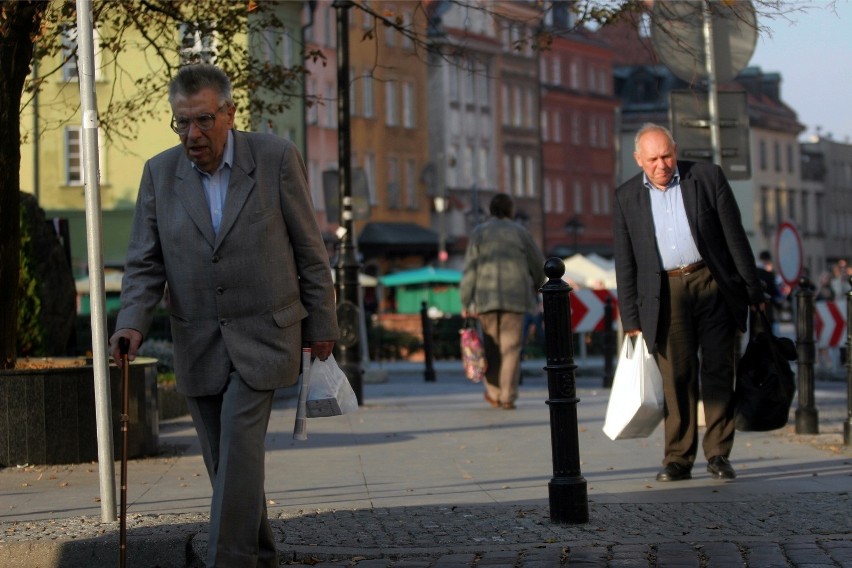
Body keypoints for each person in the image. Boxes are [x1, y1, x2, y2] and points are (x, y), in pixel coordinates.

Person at [109, 64, 339, 567]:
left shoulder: (275, 158)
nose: (192, 134)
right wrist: (130, 322)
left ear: (230, 113)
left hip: (265, 334)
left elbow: (309, 248)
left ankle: (226, 561)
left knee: (236, 447)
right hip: (197, 338)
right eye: (182, 123)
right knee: (225, 462)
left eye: (204, 120)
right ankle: (259, 554)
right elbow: (144, 262)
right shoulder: (159, 173)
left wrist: (322, 324)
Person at [612, 123, 765, 483]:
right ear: (638, 160)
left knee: (718, 370)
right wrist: (630, 316)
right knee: (676, 377)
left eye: (666, 155)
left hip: (711, 283)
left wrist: (753, 291)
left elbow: (734, 236)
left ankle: (717, 455)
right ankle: (678, 458)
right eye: (652, 159)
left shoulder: (707, 178)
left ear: (675, 150)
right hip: (664, 293)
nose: (661, 164)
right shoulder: (626, 196)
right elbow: (625, 261)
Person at [460, 193, 545, 409]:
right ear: (510, 210)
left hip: (486, 299)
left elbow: (470, 268)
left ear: (491, 211)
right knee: (511, 348)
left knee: (491, 347)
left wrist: (466, 300)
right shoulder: (520, 232)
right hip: (515, 298)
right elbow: (537, 262)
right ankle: (508, 395)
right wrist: (538, 283)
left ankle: (494, 392)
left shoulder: (479, 233)